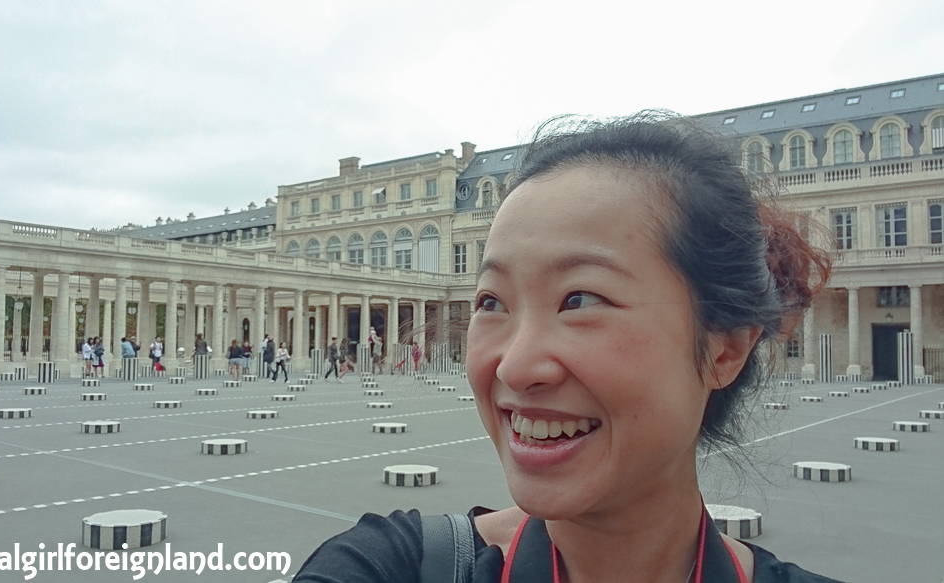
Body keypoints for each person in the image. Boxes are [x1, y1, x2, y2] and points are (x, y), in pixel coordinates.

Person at [293, 113, 836, 582]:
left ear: (725, 350)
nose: (516, 364)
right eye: (490, 301)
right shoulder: (390, 568)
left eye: (580, 299)